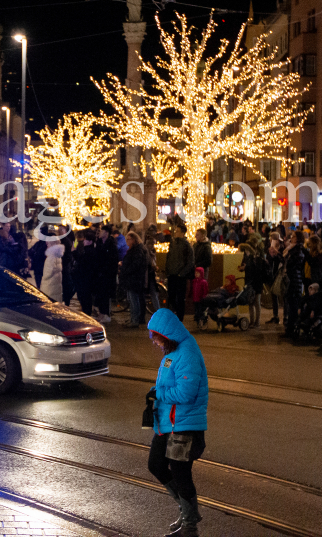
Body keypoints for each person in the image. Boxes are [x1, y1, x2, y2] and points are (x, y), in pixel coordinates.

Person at [146, 308, 208, 537]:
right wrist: (155, 393)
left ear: (166, 334)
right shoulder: (172, 353)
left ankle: (190, 527)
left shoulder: (187, 352)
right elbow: (168, 386)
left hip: (185, 425)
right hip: (169, 422)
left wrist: (159, 394)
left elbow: (186, 393)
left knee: (181, 474)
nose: (154, 342)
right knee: (156, 465)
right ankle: (186, 512)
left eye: (156, 337)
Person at [165, 224, 195, 322]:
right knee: (171, 296)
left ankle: (179, 318)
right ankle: (174, 315)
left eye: (177, 231)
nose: (175, 233)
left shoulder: (187, 245)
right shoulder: (172, 244)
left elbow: (190, 261)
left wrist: (182, 273)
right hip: (172, 275)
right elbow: (169, 257)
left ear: (182, 233)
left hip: (180, 276)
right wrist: (168, 270)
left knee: (180, 298)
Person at [119, 231, 148, 328]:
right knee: (132, 300)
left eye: (129, 239)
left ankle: (135, 320)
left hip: (134, 279)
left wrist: (126, 269)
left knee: (134, 300)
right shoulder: (134, 250)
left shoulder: (137, 251)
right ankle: (133, 318)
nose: (127, 241)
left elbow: (136, 265)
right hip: (133, 279)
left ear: (134, 240)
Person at [282, 232, 306, 338]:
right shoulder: (291, 249)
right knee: (290, 303)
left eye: (294, 236)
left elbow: (295, 264)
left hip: (295, 280)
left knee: (293, 304)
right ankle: (290, 327)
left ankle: (291, 329)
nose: (291, 238)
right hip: (291, 279)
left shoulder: (298, 250)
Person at [94, 225, 119, 323]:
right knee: (100, 295)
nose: (100, 233)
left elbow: (112, 260)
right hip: (99, 274)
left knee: (105, 295)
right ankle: (101, 314)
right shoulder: (99, 243)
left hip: (107, 275)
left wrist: (107, 271)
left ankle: (106, 314)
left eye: (102, 231)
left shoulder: (111, 245)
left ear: (106, 233)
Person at [238, 242, 264, 327]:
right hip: (251, 281)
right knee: (252, 301)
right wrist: (242, 267)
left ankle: (256, 321)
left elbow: (255, 268)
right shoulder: (248, 256)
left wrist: (245, 267)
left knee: (255, 301)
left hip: (255, 281)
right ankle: (253, 321)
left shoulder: (256, 257)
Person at [72, 229, 98, 316]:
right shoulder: (87, 249)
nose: (84, 241)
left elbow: (82, 261)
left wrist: (74, 252)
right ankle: (86, 312)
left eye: (86, 239)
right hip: (85, 279)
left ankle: (87, 314)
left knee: (85, 298)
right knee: (84, 298)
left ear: (90, 241)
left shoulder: (89, 251)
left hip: (85, 279)